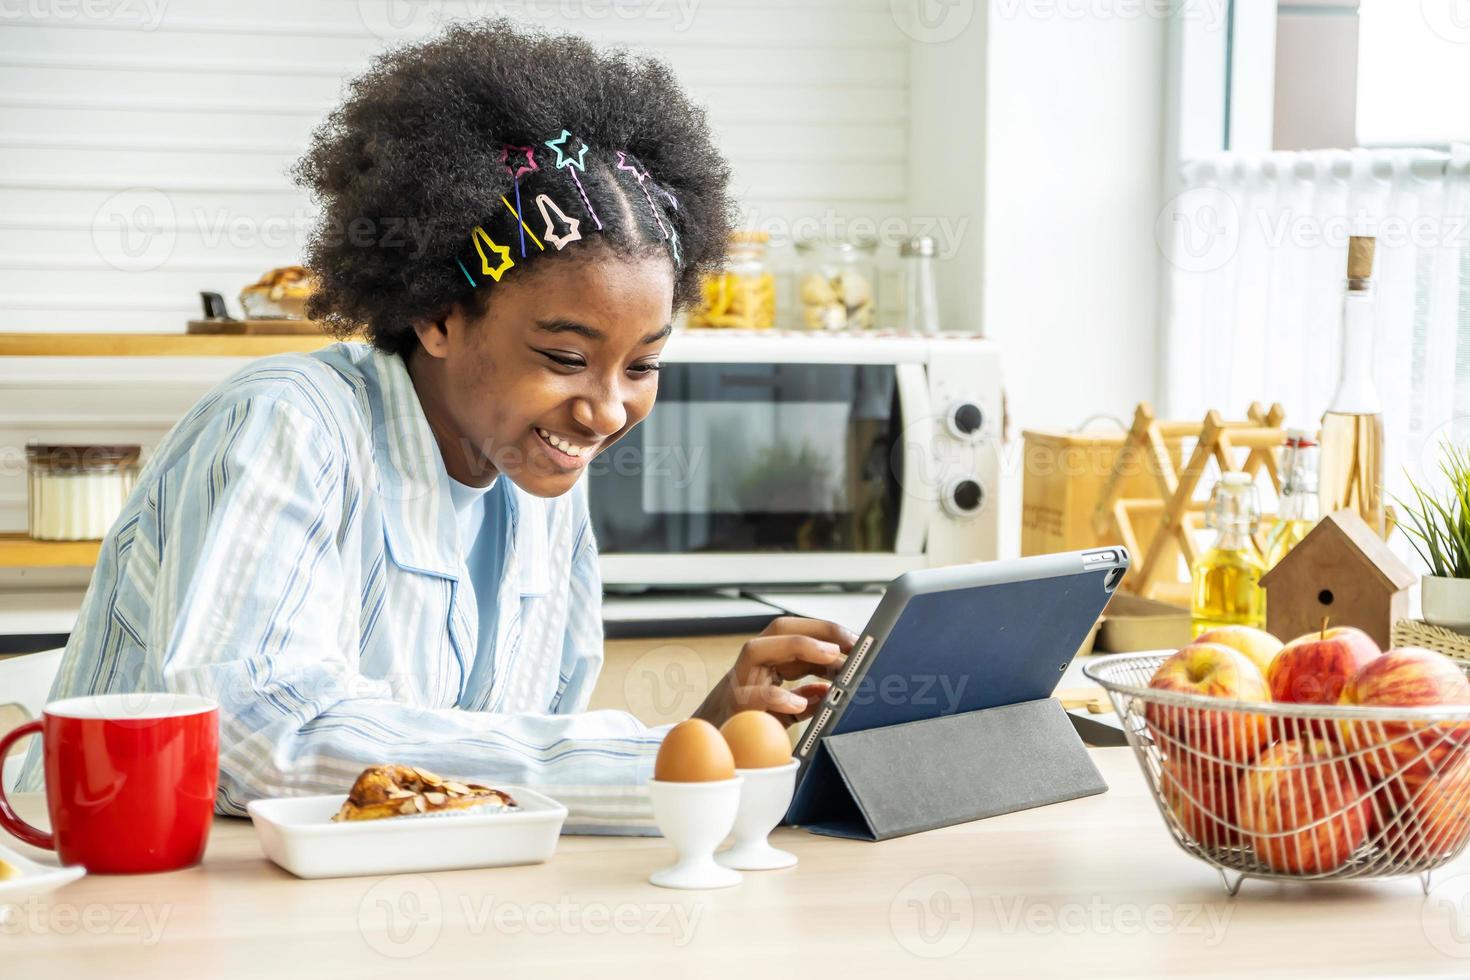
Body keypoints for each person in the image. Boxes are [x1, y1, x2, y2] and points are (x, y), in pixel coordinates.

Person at [20, 22, 853, 832]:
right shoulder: (286, 426)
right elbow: (257, 740)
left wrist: (704, 733)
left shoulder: (537, 470)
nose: (605, 410)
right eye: (565, 357)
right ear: (436, 315)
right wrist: (654, 759)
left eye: (642, 366)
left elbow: (495, 758)